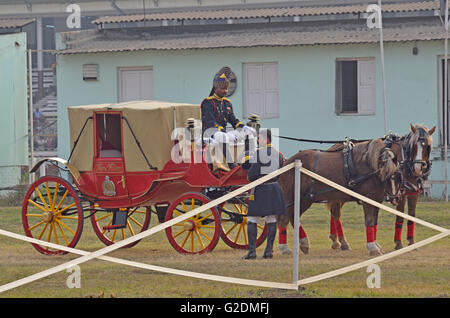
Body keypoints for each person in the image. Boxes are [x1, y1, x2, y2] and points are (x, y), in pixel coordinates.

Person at [243, 128, 286, 259]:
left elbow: (252, 175)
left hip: (260, 189)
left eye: (259, 138)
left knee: (252, 219)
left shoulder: (259, 154)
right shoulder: (278, 154)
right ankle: (268, 251)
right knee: (271, 219)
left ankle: (252, 252)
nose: (257, 140)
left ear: (266, 139)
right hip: (274, 188)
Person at [201, 71, 252, 171]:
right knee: (223, 136)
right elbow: (210, 123)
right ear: (216, 89)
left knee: (248, 133)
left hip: (222, 134)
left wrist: (243, 127)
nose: (226, 91)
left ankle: (247, 160)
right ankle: (231, 164)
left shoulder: (227, 103)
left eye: (226, 88)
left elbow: (233, 120)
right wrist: (225, 133)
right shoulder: (207, 103)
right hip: (209, 134)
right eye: (223, 89)